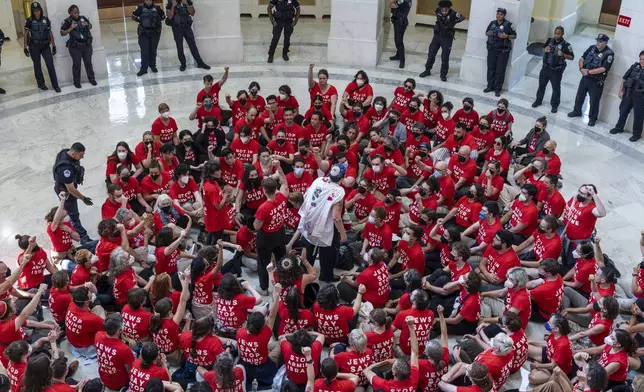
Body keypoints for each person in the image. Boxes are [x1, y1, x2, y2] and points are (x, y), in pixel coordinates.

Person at [298, 164, 348, 283]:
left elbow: (306, 196)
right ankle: (326, 276)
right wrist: (343, 233)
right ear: (342, 177)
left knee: (308, 247)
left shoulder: (318, 180)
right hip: (326, 224)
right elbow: (336, 217)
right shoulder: (338, 191)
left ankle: (303, 273)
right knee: (328, 252)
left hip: (309, 219)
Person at [568, 34, 614, 126]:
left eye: (600, 42)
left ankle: (592, 118)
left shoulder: (609, 53)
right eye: (597, 40)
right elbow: (582, 58)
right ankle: (577, 111)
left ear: (605, 42)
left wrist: (588, 71)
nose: (598, 43)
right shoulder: (592, 48)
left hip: (596, 81)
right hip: (585, 77)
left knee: (594, 101)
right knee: (580, 96)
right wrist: (581, 69)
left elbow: (604, 68)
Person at [254, 172, 289, 295]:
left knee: (263, 263)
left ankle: (263, 288)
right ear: (275, 189)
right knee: (282, 260)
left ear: (264, 190)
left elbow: (256, 226)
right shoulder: (282, 197)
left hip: (266, 237)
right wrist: (279, 167)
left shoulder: (263, 207)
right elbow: (285, 182)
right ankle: (285, 283)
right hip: (280, 232)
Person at [363, 315, 419, 392]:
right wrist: (411, 327)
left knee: (375, 371)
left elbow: (366, 371)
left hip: (382, 376)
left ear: (394, 373)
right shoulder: (414, 379)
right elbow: (415, 352)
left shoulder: (384, 385)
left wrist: (383, 362)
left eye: (393, 365)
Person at [53, 143, 93, 244]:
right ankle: (83, 238)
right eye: (81, 155)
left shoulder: (64, 152)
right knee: (73, 215)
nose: (82, 157)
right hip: (65, 192)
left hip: (65, 187)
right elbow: (71, 189)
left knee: (71, 212)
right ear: (74, 154)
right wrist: (83, 198)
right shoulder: (65, 168)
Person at [532, 26, 574, 113]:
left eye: (558, 34)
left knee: (556, 89)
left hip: (556, 71)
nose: (556, 35)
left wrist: (563, 54)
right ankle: (538, 101)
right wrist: (545, 49)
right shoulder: (549, 40)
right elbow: (543, 47)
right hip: (546, 68)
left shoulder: (566, 45)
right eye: (555, 33)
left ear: (562, 34)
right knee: (541, 86)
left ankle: (554, 105)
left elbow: (572, 57)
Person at [419, 1, 465, 81]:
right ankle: (427, 70)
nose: (443, 12)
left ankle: (443, 74)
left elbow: (462, 17)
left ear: (449, 8)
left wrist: (453, 22)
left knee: (445, 57)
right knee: (431, 54)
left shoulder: (453, 14)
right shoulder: (437, 10)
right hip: (437, 37)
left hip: (447, 38)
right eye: (442, 10)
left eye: (445, 10)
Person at [24, 2, 60, 92]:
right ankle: (41, 84)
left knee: (50, 65)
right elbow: (25, 34)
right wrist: (24, 47)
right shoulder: (29, 20)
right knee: (37, 65)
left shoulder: (46, 19)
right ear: (32, 11)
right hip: (34, 46)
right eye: (35, 11)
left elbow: (50, 33)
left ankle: (55, 85)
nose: (37, 12)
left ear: (41, 10)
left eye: (38, 10)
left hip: (45, 45)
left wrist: (53, 45)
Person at [527, 313, 573, 382]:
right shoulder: (555, 333)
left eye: (550, 323)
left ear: (557, 329)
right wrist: (530, 341)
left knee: (533, 378)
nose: (547, 323)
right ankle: (539, 366)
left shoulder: (562, 345)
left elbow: (552, 365)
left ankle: (540, 367)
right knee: (526, 348)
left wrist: (538, 365)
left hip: (556, 369)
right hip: (549, 356)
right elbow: (547, 344)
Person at [166, 0, 209, 71]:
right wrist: (173, 6)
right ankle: (183, 64)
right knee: (179, 47)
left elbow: (192, 13)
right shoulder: (170, 2)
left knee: (193, 45)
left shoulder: (187, 1)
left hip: (187, 27)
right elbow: (170, 17)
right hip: (177, 28)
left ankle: (200, 63)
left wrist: (187, 4)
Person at [95, 314, 135, 390]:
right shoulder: (124, 349)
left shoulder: (98, 335)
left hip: (103, 377)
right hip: (119, 384)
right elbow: (130, 371)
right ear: (119, 330)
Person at [610, 50, 644, 142]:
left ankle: (636, 134)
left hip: (640, 97)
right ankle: (619, 127)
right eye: (640, 59)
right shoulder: (634, 67)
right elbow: (624, 79)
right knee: (623, 111)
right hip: (628, 93)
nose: (642, 61)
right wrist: (620, 91)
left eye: (643, 59)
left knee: (638, 116)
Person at [60, 5, 96, 88]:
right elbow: (62, 33)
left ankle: (91, 78)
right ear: (70, 12)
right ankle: (76, 81)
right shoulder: (67, 21)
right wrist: (70, 28)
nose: (77, 13)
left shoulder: (83, 18)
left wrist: (87, 24)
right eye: (74, 12)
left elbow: (90, 26)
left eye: (77, 11)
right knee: (77, 64)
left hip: (86, 45)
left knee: (88, 62)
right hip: (75, 47)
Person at [484, 8, 516, 97]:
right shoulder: (492, 23)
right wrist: (488, 33)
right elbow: (486, 32)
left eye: (500, 14)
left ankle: (498, 89)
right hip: (492, 50)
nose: (498, 16)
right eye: (497, 14)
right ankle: (490, 86)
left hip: (503, 51)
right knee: (491, 69)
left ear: (504, 15)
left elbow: (514, 36)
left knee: (500, 71)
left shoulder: (508, 25)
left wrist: (506, 36)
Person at [132, 0, 165, 76]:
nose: (148, 1)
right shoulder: (140, 8)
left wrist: (156, 22)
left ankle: (153, 66)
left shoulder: (157, 8)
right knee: (144, 51)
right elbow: (133, 17)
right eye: (147, 0)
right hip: (143, 33)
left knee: (153, 50)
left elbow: (163, 16)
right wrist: (140, 22)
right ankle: (144, 69)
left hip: (155, 33)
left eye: (150, 0)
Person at [389, 0, 412, 68]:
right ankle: (398, 55)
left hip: (400, 22)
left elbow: (391, 4)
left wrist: (392, 1)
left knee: (398, 41)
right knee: (398, 39)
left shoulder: (404, 1)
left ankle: (402, 60)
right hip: (397, 21)